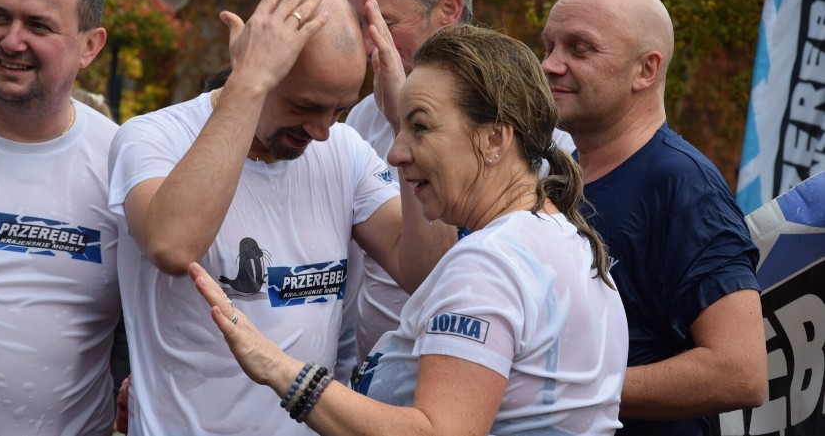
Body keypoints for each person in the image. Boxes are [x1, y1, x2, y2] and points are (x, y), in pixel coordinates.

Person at [189, 23, 629, 435]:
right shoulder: (571, 241)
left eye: (419, 127)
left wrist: (277, 368)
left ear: (495, 139)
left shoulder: (490, 262)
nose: (396, 154)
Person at [107, 0, 455, 435]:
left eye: (338, 110)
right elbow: (173, 246)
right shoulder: (154, 137)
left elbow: (429, 270)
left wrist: (404, 127)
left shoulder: (344, 151)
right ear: (256, 65)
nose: (321, 130)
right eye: (304, 106)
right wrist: (247, 84)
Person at [540, 0, 767, 435]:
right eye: (546, 46)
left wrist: (564, 393)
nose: (549, 65)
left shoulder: (683, 186)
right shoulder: (557, 177)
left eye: (579, 49)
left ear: (645, 70)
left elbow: (740, 371)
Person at [345, 0, 575, 364]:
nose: (366, 42)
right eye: (359, 24)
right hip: (371, 386)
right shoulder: (360, 116)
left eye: (383, 23)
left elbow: (444, 273)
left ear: (447, 7)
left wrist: (401, 117)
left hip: (470, 377)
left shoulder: (525, 120)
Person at [0, 0, 120, 435]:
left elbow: (149, 323)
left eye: (38, 26)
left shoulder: (123, 162)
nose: (12, 40)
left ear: (89, 46)